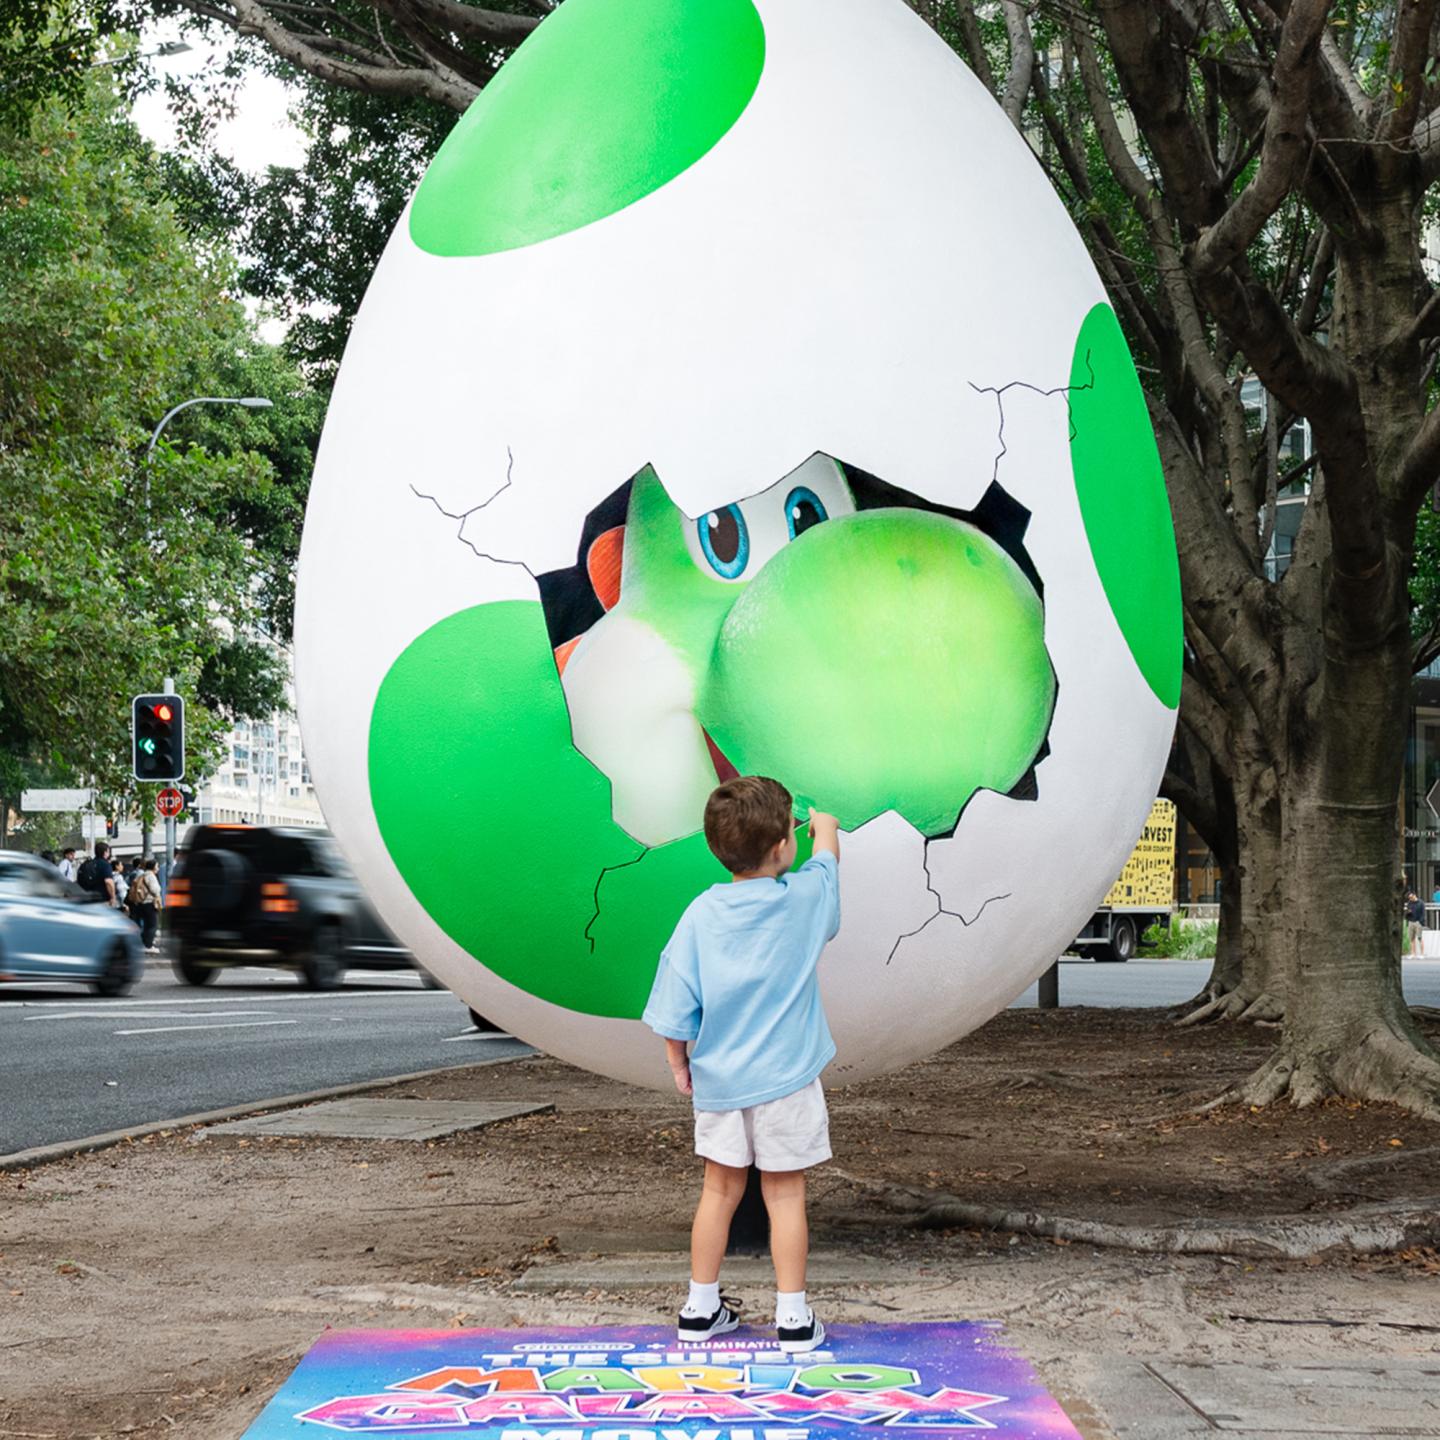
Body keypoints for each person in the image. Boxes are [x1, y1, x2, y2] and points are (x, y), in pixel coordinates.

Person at [643, 775, 841, 1353]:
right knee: (785, 1196)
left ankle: (700, 1308)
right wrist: (823, 824)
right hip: (788, 1081)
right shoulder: (804, 900)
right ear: (783, 846)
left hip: (721, 1082)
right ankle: (793, 1318)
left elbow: (675, 995)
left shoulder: (701, 914)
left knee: (718, 1192)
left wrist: (679, 1062)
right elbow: (827, 857)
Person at [128, 857, 162, 953]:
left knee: (147, 925)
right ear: (153, 867)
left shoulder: (142, 875)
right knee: (152, 925)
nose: (158, 868)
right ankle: (148, 946)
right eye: (157, 866)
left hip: (141, 903)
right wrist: (159, 889)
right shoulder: (151, 876)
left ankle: (144, 943)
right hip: (149, 903)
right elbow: (155, 890)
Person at [78, 841, 117, 907]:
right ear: (105, 852)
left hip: (86, 899)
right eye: (108, 851)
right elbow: (108, 882)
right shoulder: (105, 864)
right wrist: (113, 897)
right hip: (102, 900)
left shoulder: (86, 864)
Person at [1407, 890, 1426, 957]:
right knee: (1411, 939)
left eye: (1411, 897)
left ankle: (1422, 954)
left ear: (1414, 895)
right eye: (1409, 898)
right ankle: (1413, 954)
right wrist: (1408, 914)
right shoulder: (1409, 903)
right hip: (1411, 921)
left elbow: (1423, 913)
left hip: (1418, 922)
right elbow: (1408, 911)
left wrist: (1421, 922)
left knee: (1419, 938)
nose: (1410, 899)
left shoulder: (1421, 903)